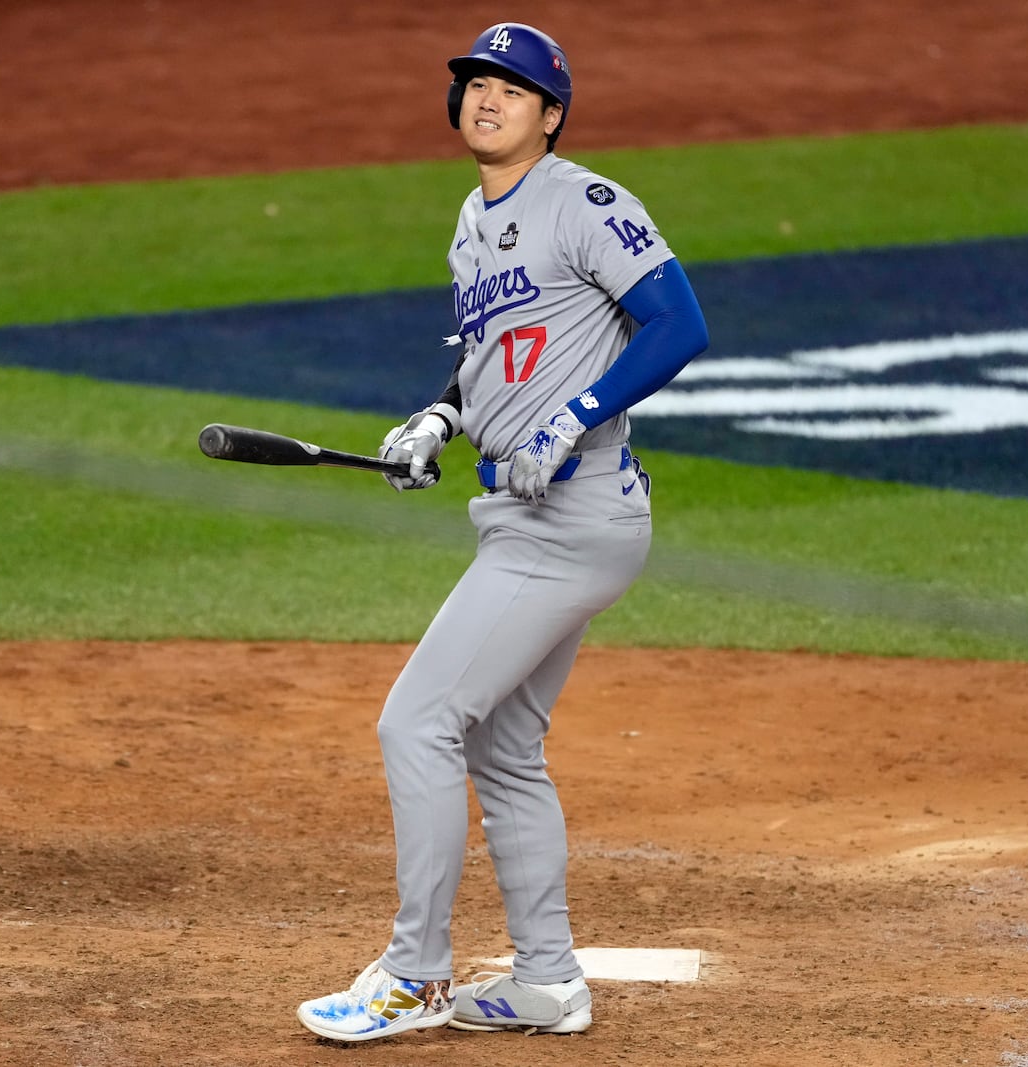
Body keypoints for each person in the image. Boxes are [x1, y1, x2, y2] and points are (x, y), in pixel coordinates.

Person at [295, 23, 709, 1042]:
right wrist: (439, 418)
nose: (487, 98)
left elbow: (679, 324)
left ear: (550, 114)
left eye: (512, 89)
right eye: (476, 83)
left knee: (415, 722)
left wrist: (571, 416)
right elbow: (493, 359)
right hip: (522, 517)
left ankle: (414, 975)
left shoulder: (586, 203)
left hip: (572, 516)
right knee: (503, 744)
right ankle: (546, 981)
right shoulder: (472, 222)